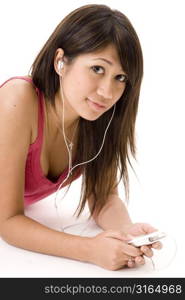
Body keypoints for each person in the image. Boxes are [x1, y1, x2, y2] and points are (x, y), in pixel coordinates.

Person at [0, 4, 162, 271]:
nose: (108, 92)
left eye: (120, 77)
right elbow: (7, 221)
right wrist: (89, 249)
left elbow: (103, 196)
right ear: (60, 61)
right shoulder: (18, 100)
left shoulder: (96, 119)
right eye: (98, 69)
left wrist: (126, 233)